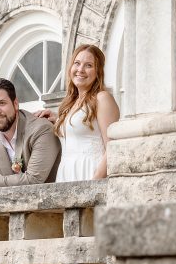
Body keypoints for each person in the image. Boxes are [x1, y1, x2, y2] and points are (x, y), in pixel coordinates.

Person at [37, 44, 120, 181]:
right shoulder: (70, 103)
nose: (80, 69)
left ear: (98, 71)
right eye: (77, 63)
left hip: (90, 172)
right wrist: (58, 120)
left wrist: (95, 182)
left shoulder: (102, 98)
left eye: (88, 65)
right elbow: (79, 129)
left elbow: (112, 148)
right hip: (66, 173)